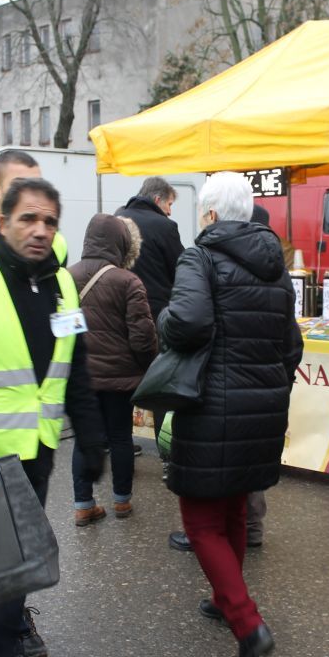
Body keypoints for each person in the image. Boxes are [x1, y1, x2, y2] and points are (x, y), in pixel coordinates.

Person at [0, 176, 106, 657]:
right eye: (28, 219)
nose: (40, 230)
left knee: (14, 560)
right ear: (2, 219)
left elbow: (74, 367)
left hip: (38, 448)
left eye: (50, 222)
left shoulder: (62, 285)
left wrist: (92, 438)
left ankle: (3, 648)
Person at [161, 171, 302, 657]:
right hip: (263, 406)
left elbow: (187, 322)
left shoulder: (199, 257)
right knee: (235, 509)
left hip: (212, 405)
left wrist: (163, 320)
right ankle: (227, 599)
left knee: (201, 521)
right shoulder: (276, 266)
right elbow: (291, 346)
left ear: (212, 214)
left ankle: (247, 622)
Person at [67, 213, 158, 525]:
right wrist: (146, 367)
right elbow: (143, 338)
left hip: (81, 379)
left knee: (83, 438)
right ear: (121, 243)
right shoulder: (128, 281)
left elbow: (61, 331)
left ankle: (83, 504)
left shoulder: (67, 277)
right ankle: (121, 501)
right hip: (120, 379)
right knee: (120, 437)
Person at [116, 177, 184, 493]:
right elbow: (181, 270)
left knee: (124, 383)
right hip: (156, 317)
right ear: (158, 200)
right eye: (169, 204)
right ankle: (168, 459)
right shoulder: (165, 227)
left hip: (121, 316)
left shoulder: (118, 218)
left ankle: (121, 447)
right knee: (160, 387)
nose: (170, 211)